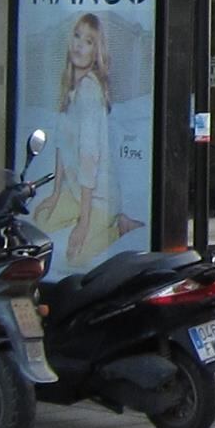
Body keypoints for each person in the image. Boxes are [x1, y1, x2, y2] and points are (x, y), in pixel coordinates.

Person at [33, 13, 146, 268]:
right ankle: (97, 219)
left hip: (99, 195)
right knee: (40, 220)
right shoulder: (70, 88)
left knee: (75, 259)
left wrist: (83, 224)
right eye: (77, 36)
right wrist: (54, 193)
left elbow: (88, 157)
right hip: (75, 192)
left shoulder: (89, 91)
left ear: (96, 52)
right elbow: (62, 144)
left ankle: (117, 224)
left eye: (88, 41)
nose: (79, 45)